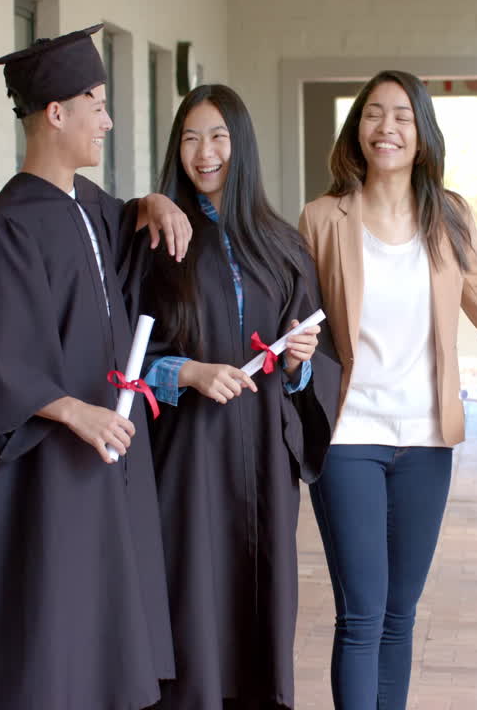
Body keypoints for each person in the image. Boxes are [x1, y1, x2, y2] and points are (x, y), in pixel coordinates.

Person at [0, 25, 193, 710]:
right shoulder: (3, 230)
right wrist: (71, 408)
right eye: (95, 103)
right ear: (55, 114)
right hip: (37, 478)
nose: (107, 119)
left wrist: (152, 203)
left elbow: (123, 250)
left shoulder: (90, 211)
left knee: (99, 644)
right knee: (45, 649)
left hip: (96, 464)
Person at [297, 69, 477, 710]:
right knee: (362, 614)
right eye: (373, 114)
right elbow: (297, 317)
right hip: (348, 436)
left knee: (400, 614)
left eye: (401, 116)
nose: (385, 127)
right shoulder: (322, 218)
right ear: (355, 128)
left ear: (422, 132)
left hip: (427, 441)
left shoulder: (448, 215)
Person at [125, 84, 340, 710]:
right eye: (190, 138)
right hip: (189, 460)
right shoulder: (158, 243)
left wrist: (299, 363)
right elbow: (128, 354)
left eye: (218, 136)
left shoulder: (282, 244)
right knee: (191, 603)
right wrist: (187, 372)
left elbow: (311, 360)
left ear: (240, 145)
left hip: (266, 465)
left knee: (262, 608)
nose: (205, 152)